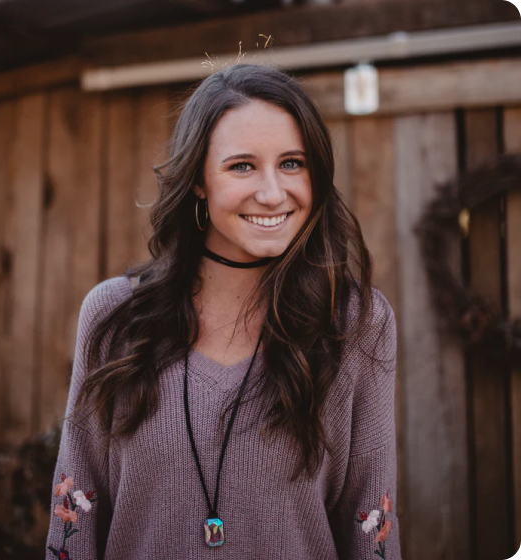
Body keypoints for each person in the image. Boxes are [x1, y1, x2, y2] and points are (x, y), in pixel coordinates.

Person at [45, 63, 401, 560]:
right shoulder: (115, 318)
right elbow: (75, 520)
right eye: (242, 166)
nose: (274, 193)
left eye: (293, 163)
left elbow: (370, 522)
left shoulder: (356, 325)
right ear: (198, 181)